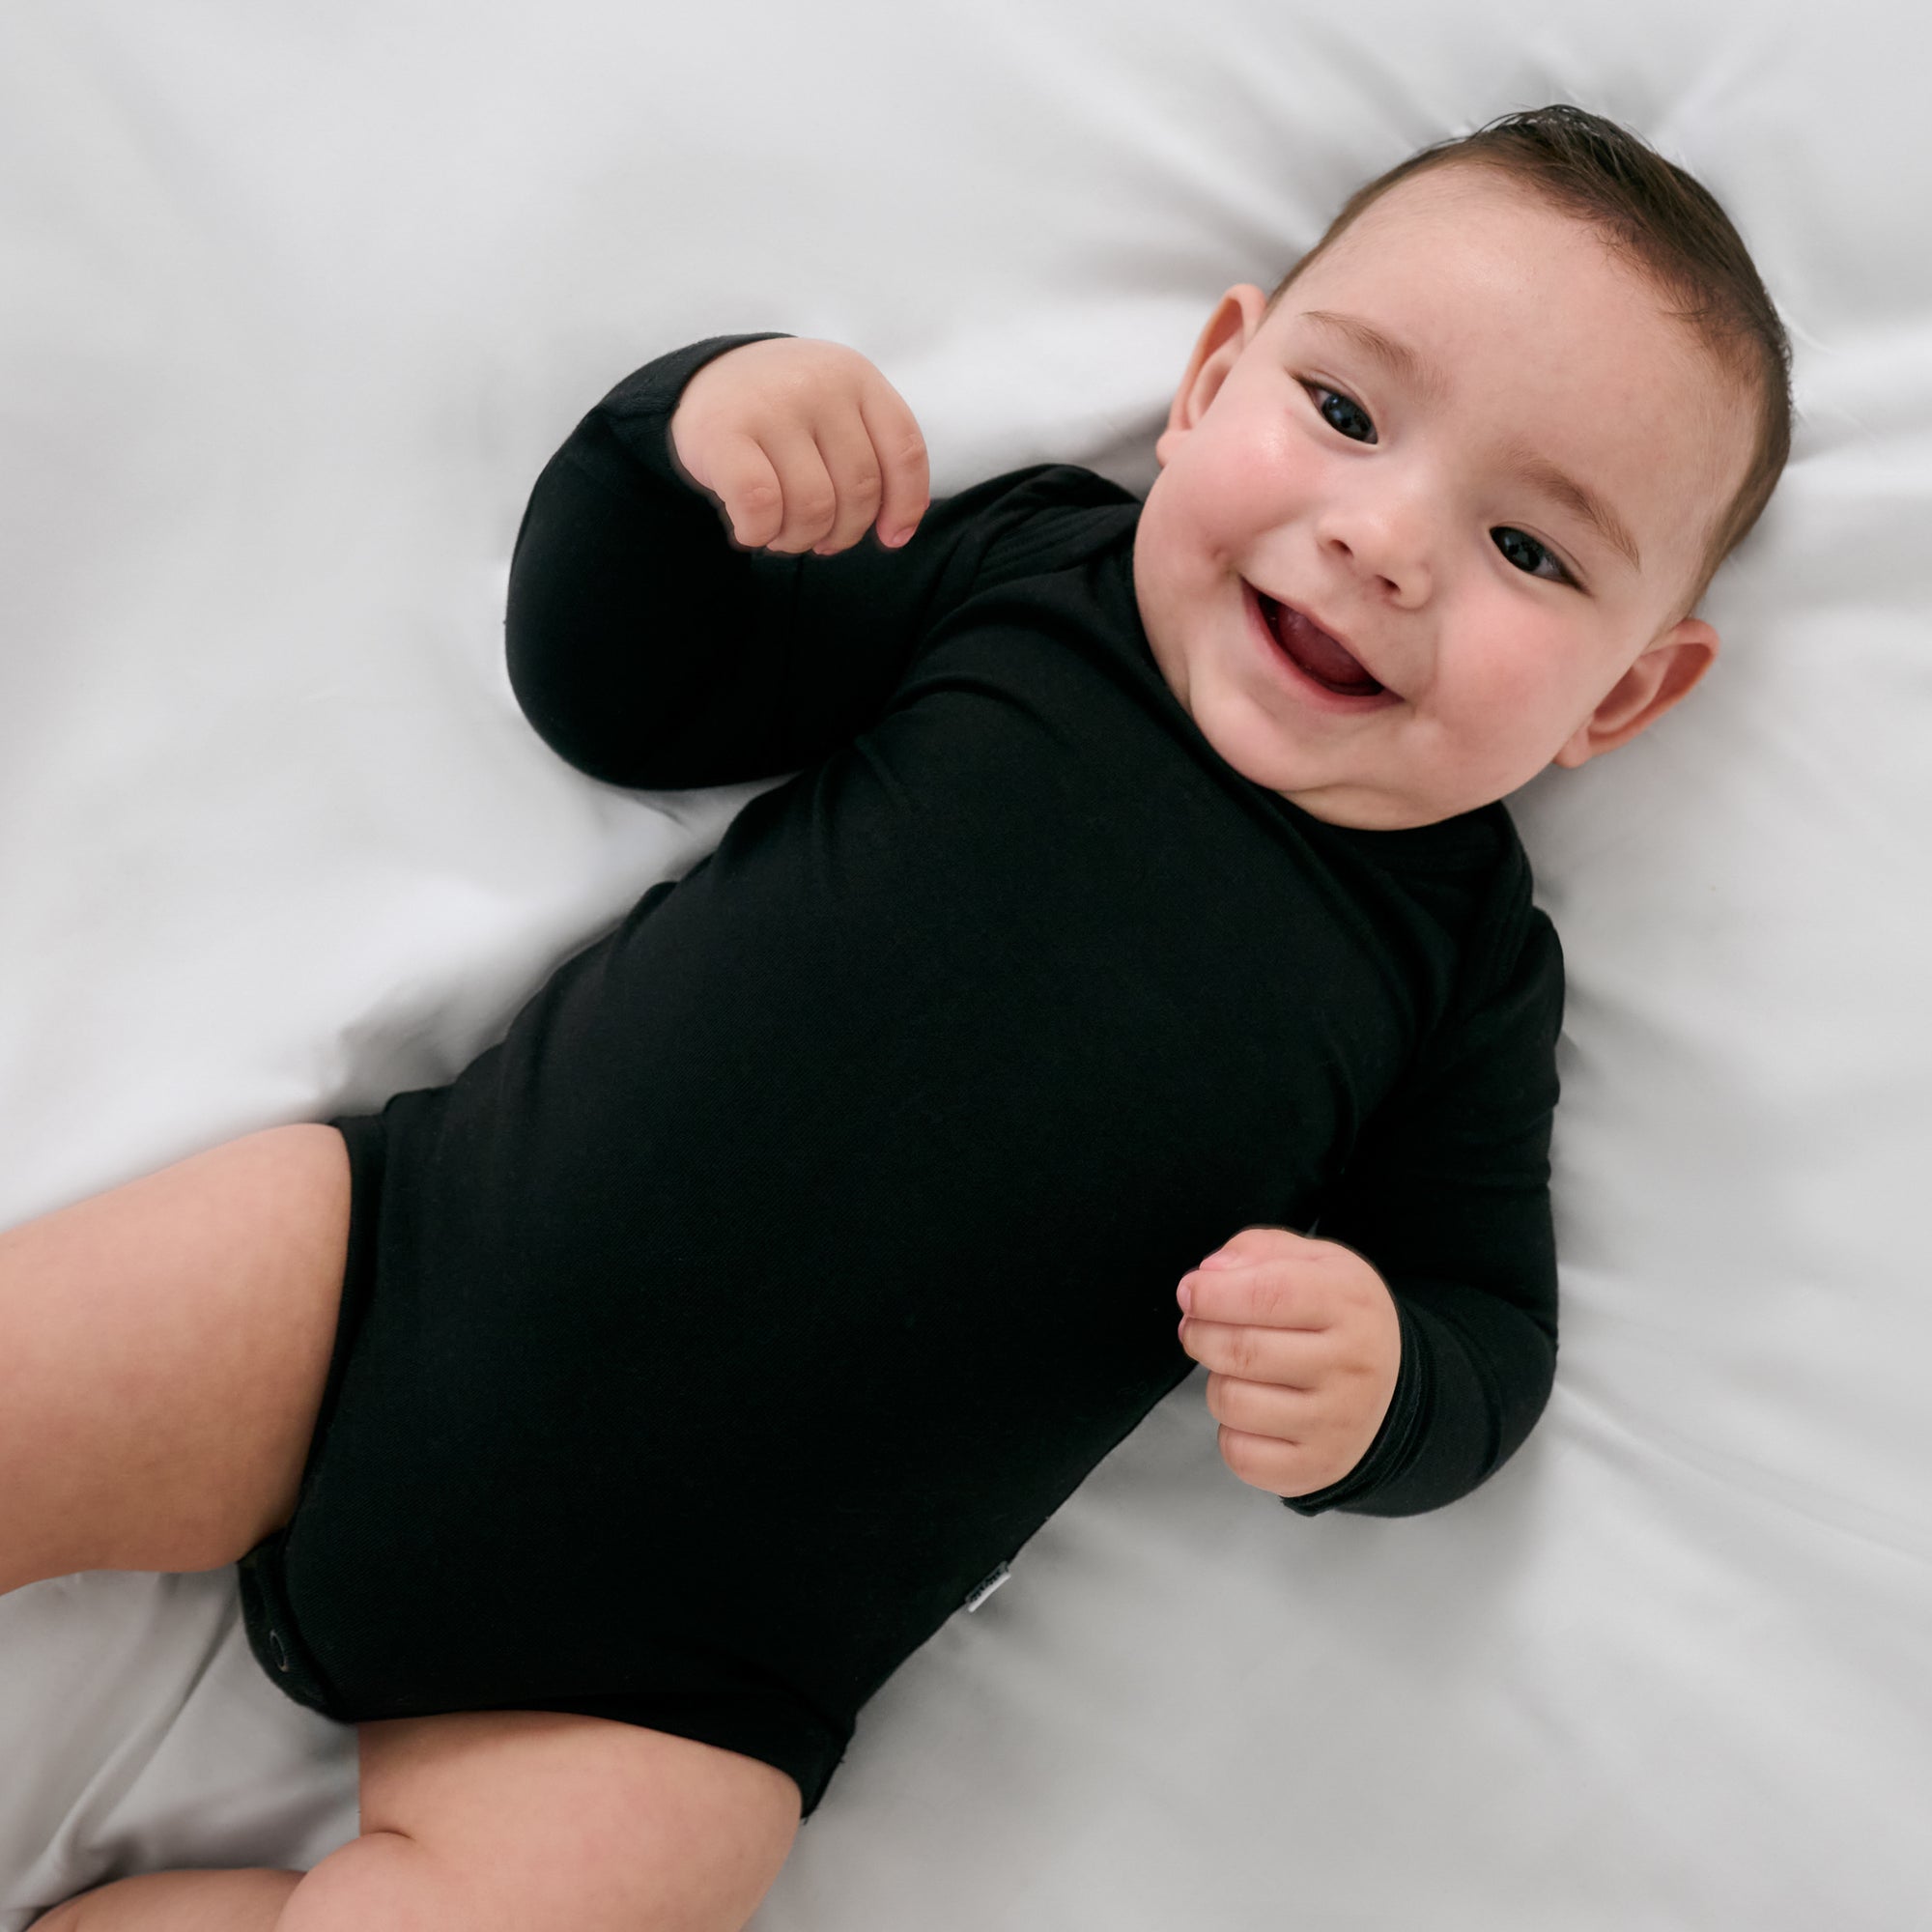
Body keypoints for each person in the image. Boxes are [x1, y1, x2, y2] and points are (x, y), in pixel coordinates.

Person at [13, 103, 1790, 1932]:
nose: (1386, 540)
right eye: (1343, 411)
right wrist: (679, 445)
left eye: (1532, 550)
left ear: (1624, 696)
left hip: (677, 1691)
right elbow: (628, 694)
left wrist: (1388, 1386)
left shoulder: (1463, 967)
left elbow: (1491, 1329)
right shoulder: (1035, 574)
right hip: (376, 1286)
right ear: (1209, 384)